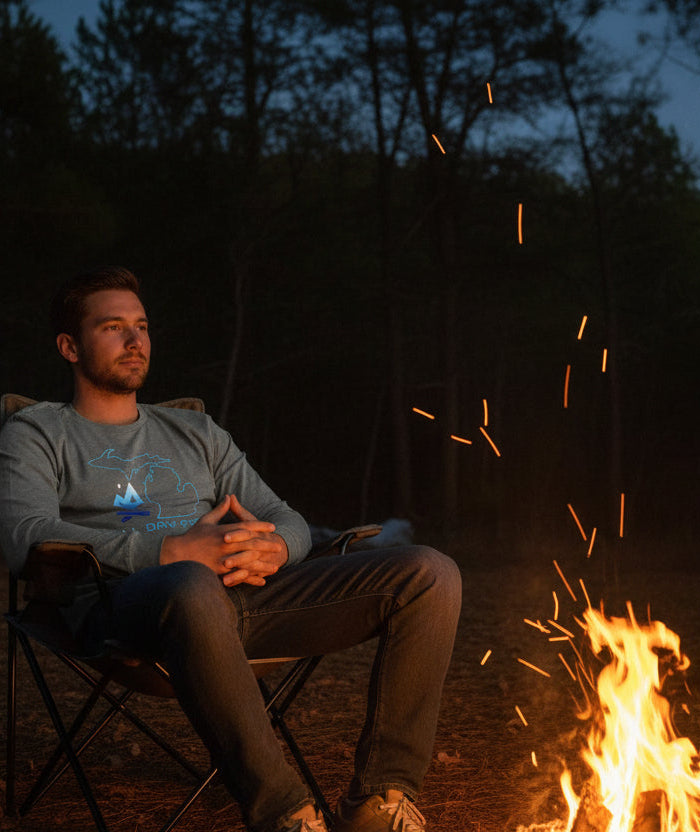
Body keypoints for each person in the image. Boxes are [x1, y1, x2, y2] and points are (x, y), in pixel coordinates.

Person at [0, 266, 461, 832]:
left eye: (141, 326)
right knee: (190, 584)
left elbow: (283, 517)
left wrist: (280, 550)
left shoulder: (194, 432)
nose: (134, 340)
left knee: (429, 573)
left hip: (247, 597)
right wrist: (170, 552)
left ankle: (380, 802)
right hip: (124, 606)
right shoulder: (38, 431)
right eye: (112, 327)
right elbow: (25, 537)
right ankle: (286, 814)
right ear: (69, 346)